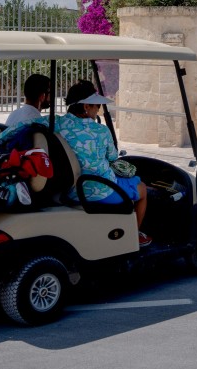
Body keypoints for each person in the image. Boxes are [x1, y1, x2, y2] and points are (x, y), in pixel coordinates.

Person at [57, 80, 152, 247]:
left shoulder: (57, 123)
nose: (98, 110)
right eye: (96, 106)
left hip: (72, 190)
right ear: (86, 107)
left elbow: (20, 126)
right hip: (100, 191)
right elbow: (113, 157)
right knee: (142, 188)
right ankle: (133, 235)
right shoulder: (101, 130)